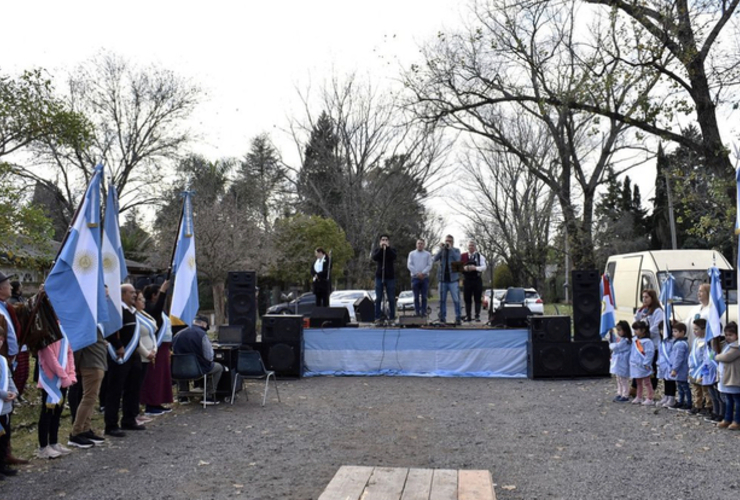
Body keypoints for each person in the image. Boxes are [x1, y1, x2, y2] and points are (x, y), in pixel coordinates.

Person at [104, 284, 144, 437]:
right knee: (115, 390)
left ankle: (129, 419)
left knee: (133, 388)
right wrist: (118, 345)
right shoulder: (117, 311)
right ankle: (111, 424)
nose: (134, 295)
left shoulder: (132, 311)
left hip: (133, 355)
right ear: (122, 294)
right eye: (131, 292)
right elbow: (108, 330)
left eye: (135, 292)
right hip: (119, 356)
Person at [0, 272, 28, 466]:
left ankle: (5, 452)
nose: (10, 287)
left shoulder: (6, 306)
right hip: (3, 360)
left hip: (10, 360)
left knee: (6, 411)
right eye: (7, 284)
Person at [36, 334, 76, 459]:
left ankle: (54, 442)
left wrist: (71, 374)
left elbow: (69, 353)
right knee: (47, 413)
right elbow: (49, 357)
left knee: (57, 412)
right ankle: (43, 446)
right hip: (50, 380)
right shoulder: (46, 331)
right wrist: (63, 376)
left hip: (64, 379)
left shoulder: (63, 331)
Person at [172, 315, 223, 404]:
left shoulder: (177, 334)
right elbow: (209, 356)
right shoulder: (202, 335)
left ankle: (183, 397)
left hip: (178, 370)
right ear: (203, 324)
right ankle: (208, 396)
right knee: (219, 368)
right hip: (198, 369)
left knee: (182, 366)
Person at [140, 281, 173, 416]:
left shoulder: (157, 309)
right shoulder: (149, 308)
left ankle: (158, 401)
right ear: (154, 296)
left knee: (161, 378)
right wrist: (164, 292)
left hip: (164, 347)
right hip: (156, 347)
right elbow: (157, 310)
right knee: (154, 377)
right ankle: (151, 404)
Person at [134, 290, 157, 423]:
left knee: (141, 383)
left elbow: (152, 332)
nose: (143, 302)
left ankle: (138, 411)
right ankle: (135, 412)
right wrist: (146, 352)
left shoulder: (145, 314)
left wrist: (154, 348)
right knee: (136, 385)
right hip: (141, 354)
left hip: (150, 350)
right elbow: (137, 338)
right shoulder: (134, 315)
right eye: (140, 299)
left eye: (143, 299)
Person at [633, 289, 663, 390]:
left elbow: (656, 326)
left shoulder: (657, 311)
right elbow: (636, 322)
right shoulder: (642, 310)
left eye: (646, 297)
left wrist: (645, 333)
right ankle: (635, 387)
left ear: (652, 298)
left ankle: (652, 389)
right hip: (641, 343)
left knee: (651, 366)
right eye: (643, 297)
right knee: (638, 364)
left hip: (652, 343)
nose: (644, 299)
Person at [715, 321, 740, 429]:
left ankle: (737, 420)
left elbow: (727, 357)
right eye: (726, 335)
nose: (728, 337)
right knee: (728, 400)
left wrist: (717, 357)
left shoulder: (737, 347)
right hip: (725, 377)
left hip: (734, 378)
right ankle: (727, 418)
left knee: (737, 401)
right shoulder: (726, 345)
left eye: (731, 335)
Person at [0, 332, 18, 479]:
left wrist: (14, 392)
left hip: (5, 407)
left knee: (4, 437)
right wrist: (4, 394)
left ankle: (2, 464)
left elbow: (9, 378)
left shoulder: (2, 360)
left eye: (1, 339)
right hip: (2, 400)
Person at [433, 235, 462, 325]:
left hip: (453, 279)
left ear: (452, 242)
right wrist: (441, 249)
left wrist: (451, 249)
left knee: (456, 299)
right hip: (442, 279)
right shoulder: (442, 251)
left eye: (449, 241)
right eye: (446, 241)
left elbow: (458, 260)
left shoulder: (456, 250)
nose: (447, 242)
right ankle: (442, 317)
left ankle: (458, 318)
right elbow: (435, 259)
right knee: (442, 300)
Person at [371, 235, 397, 324]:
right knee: (378, 298)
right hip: (379, 276)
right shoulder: (377, 250)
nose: (384, 241)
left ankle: (392, 317)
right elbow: (374, 257)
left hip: (390, 277)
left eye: (386, 240)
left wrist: (388, 248)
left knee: (391, 298)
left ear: (388, 241)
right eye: (382, 240)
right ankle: (377, 317)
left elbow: (394, 256)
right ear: (380, 241)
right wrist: (382, 249)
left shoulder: (392, 250)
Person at [688, 319, 712, 415]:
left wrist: (704, 368)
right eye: (693, 329)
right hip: (694, 369)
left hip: (702, 368)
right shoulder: (695, 340)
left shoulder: (707, 341)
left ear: (704, 329)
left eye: (697, 329)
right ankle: (698, 405)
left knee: (705, 389)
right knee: (696, 389)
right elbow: (692, 354)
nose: (694, 331)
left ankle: (708, 406)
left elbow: (707, 356)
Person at [461, 240, 487, 322]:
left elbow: (484, 267)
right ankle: (468, 316)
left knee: (477, 298)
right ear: (467, 247)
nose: (471, 247)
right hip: (467, 279)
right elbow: (456, 267)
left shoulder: (480, 256)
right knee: (467, 298)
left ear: (475, 247)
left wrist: (475, 268)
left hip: (477, 279)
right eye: (469, 245)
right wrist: (464, 268)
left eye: (472, 246)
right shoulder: (463, 256)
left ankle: (477, 316)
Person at [630, 320, 655, 405]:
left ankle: (650, 397)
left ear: (643, 330)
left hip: (644, 365)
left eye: (636, 329)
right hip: (636, 364)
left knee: (647, 382)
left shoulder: (647, 341)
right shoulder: (635, 340)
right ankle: (639, 396)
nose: (635, 332)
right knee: (638, 381)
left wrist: (647, 363)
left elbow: (649, 353)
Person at [407, 239, 433, 317]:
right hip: (415, 278)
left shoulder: (428, 254)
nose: (420, 245)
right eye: (418, 243)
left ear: (424, 245)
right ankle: (417, 312)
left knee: (424, 296)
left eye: (421, 243)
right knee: (416, 297)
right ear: (416, 244)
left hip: (424, 278)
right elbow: (409, 265)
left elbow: (429, 265)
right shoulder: (411, 254)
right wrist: (417, 273)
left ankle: (424, 312)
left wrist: (423, 273)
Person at [668, 322, 692, 410]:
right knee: (680, 386)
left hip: (681, 369)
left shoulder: (680, 344)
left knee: (684, 386)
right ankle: (681, 401)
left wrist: (675, 369)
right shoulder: (679, 342)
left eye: (676, 331)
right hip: (679, 369)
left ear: (682, 332)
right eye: (673, 331)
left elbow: (679, 357)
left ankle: (688, 402)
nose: (674, 333)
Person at [609, 320, 632, 402]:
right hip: (618, 362)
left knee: (623, 379)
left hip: (623, 362)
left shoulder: (626, 341)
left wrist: (611, 345)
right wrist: (611, 334)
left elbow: (616, 347)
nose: (618, 332)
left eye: (619, 330)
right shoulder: (621, 339)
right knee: (618, 378)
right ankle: (620, 393)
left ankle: (625, 395)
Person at [656, 321, 675, 408]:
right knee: (665, 381)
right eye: (660, 329)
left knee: (671, 381)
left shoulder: (672, 341)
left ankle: (671, 398)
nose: (662, 331)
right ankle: (666, 395)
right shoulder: (662, 341)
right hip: (663, 364)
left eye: (663, 329)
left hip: (670, 365)